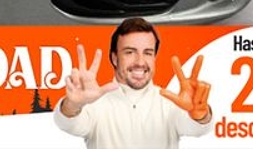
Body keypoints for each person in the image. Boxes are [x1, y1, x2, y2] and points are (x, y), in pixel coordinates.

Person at [54, 17, 212, 149]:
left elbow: (198, 129)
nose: (140, 62)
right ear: (115, 58)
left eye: (148, 53)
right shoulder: (95, 103)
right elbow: (68, 124)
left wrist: (200, 114)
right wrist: (73, 104)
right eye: (130, 52)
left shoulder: (170, 103)